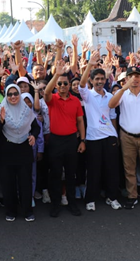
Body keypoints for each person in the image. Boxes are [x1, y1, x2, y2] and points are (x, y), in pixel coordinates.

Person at [108, 66, 140, 210]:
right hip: (127, 136)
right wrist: (123, 89)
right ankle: (132, 196)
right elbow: (111, 105)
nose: (135, 79)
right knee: (129, 168)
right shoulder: (122, 93)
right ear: (126, 78)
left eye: (137, 76)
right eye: (131, 76)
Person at [0, 84, 41, 222]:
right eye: (10, 94)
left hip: (24, 150)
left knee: (25, 183)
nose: (13, 97)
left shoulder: (26, 110)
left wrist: (34, 136)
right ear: (6, 96)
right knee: (8, 184)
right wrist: (1, 121)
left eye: (15, 93)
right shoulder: (0, 110)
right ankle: (11, 211)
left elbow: (35, 127)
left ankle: (27, 211)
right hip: (6, 152)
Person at [44, 57, 86, 218]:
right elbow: (47, 92)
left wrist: (82, 140)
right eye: (59, 84)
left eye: (65, 83)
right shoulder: (53, 99)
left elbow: (80, 121)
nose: (62, 86)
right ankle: (55, 204)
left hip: (71, 141)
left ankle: (71, 203)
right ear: (56, 85)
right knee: (55, 174)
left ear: (69, 85)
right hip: (55, 141)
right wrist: (57, 74)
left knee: (71, 173)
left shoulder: (75, 101)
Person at [79, 51, 120, 212]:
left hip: (110, 137)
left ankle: (112, 197)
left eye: (102, 79)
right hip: (93, 138)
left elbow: (113, 117)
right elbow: (81, 85)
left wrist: (116, 136)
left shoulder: (110, 96)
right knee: (94, 170)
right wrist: (90, 64)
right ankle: (90, 199)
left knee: (111, 169)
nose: (100, 82)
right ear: (92, 80)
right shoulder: (87, 95)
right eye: (96, 79)